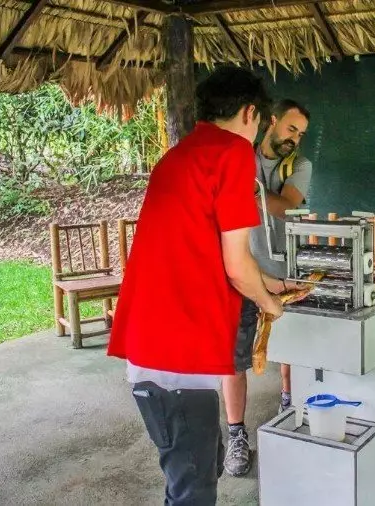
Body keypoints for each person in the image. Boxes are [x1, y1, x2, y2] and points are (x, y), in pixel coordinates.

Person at [107, 66, 298, 506]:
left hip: (158, 346)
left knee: (199, 472)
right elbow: (236, 265)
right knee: (194, 492)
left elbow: (210, 250)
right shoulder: (232, 152)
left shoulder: (180, 155)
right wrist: (269, 303)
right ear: (249, 113)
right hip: (177, 356)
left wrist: (271, 281)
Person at [222, 99, 312, 477]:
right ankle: (236, 434)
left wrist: (247, 188)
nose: (295, 139)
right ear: (271, 121)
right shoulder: (240, 156)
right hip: (241, 268)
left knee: (290, 352)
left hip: (285, 271)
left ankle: (288, 407)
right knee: (233, 358)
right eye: (291, 129)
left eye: (301, 134)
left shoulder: (299, 166)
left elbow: (285, 207)